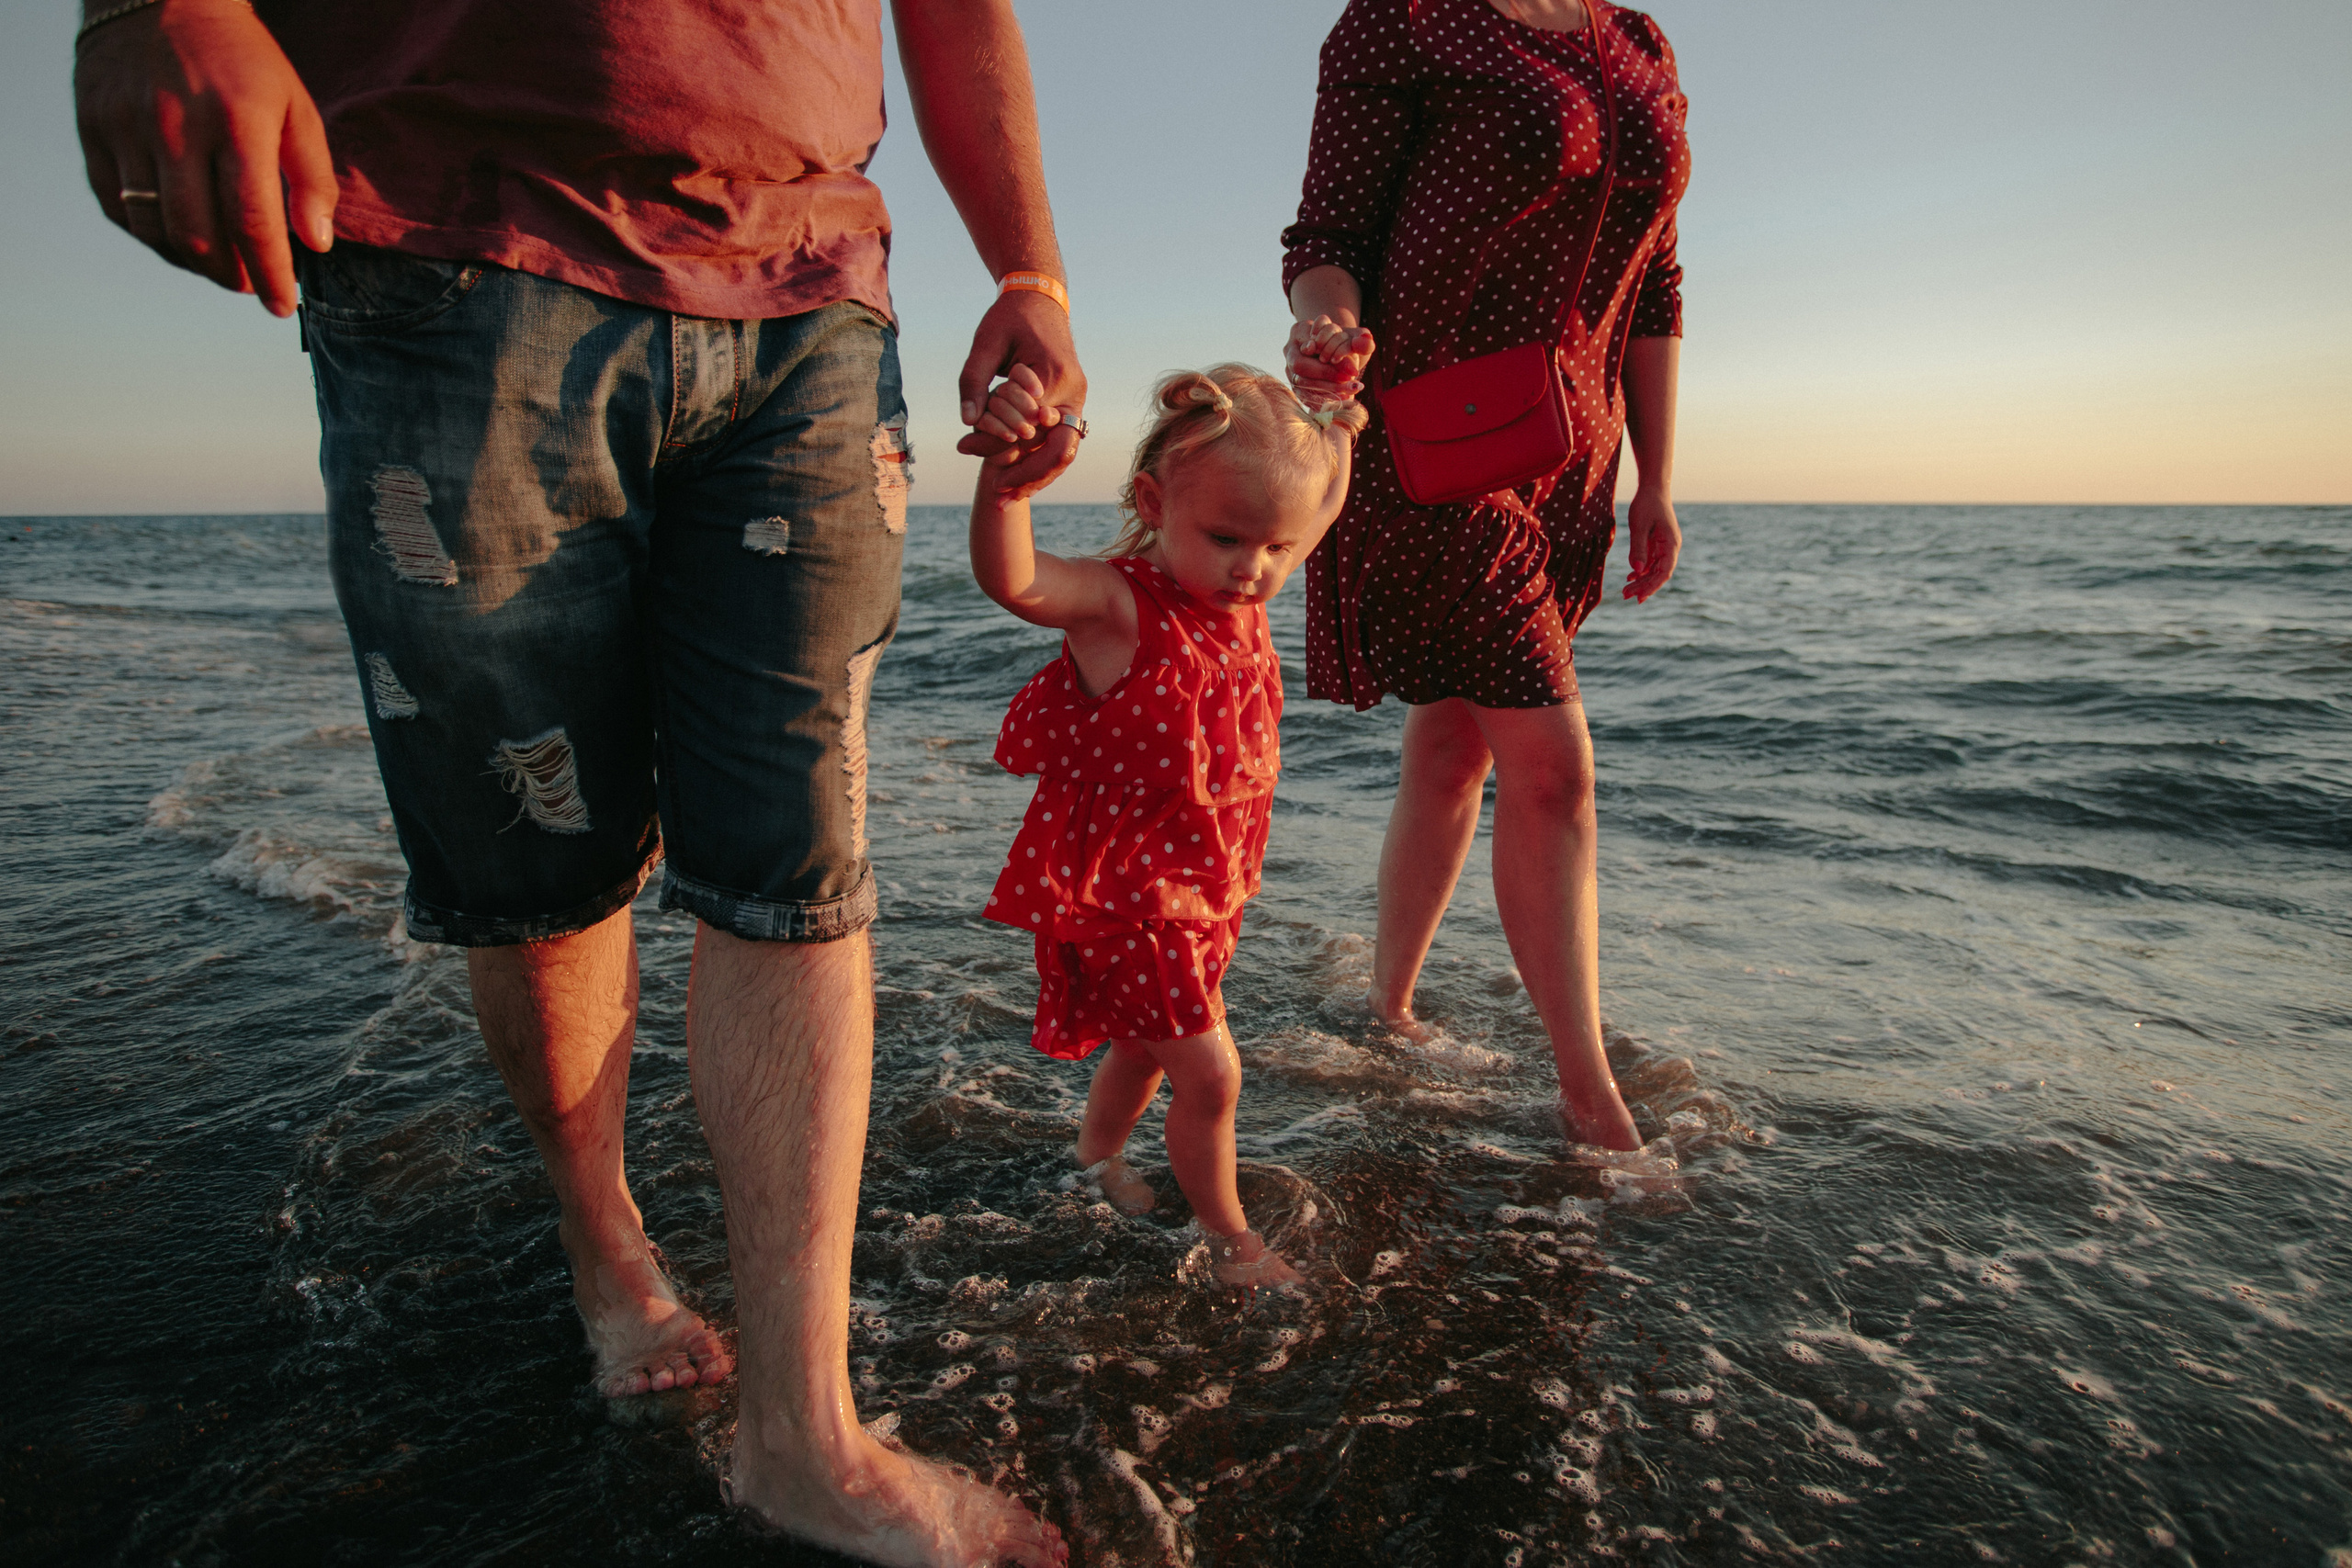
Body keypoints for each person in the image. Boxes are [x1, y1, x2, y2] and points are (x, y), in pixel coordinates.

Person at [73, 0, 1081, 1561]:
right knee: (541, 855)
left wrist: (1029, 265)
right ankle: (604, 1233)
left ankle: (802, 1430)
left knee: (797, 855)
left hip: (809, 285)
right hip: (459, 247)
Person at [1281, 0, 1690, 1152]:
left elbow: (1655, 282)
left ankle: (1389, 1006)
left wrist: (1656, 477)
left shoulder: (1638, 43)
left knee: (1457, 739)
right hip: (1435, 429)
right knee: (1552, 767)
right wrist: (1329, 328)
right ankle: (1590, 1099)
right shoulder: (1406, 20)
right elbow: (1327, 236)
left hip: (1572, 452)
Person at [966, 363, 1364, 1288]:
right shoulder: (1120, 605)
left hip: (1207, 895)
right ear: (1154, 500)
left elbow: (1327, 503)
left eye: (1276, 547)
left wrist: (1340, 417)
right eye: (1226, 537)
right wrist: (1006, 491)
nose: (1254, 568)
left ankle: (1095, 1158)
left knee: (1144, 1046)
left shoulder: (1249, 584)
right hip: (1133, 903)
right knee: (1212, 1076)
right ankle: (1231, 1244)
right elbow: (1015, 581)